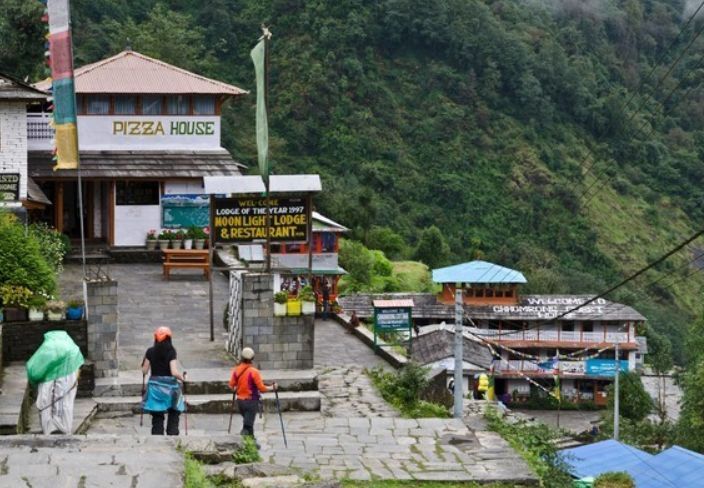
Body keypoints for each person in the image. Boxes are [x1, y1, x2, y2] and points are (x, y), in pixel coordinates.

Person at [142, 327, 185, 435]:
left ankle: (157, 437)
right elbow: (174, 372)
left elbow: (144, 370)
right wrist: (182, 378)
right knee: (174, 410)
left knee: (157, 414)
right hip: (170, 389)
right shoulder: (171, 351)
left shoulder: (150, 351)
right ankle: (172, 432)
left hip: (155, 389)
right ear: (169, 338)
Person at [228, 347, 276, 443]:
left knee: (248, 423)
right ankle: (245, 438)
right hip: (251, 402)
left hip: (240, 402)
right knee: (248, 425)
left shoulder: (236, 370)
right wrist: (272, 388)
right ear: (252, 358)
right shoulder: (254, 372)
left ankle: (252, 442)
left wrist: (237, 389)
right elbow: (261, 388)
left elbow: (231, 385)